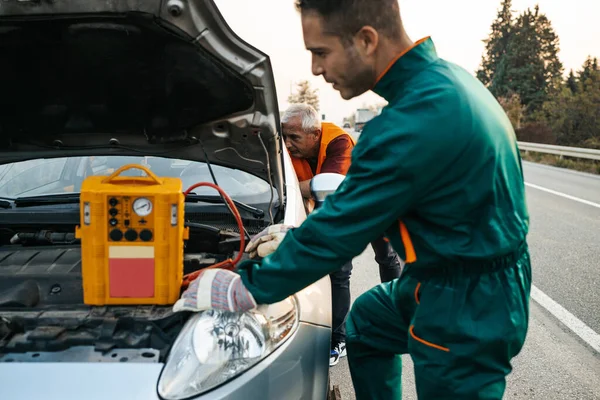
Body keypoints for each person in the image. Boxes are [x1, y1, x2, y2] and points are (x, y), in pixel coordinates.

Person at [177, 0, 531, 398]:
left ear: (365, 40)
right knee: (367, 322)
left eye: (320, 52)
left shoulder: (412, 122)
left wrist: (246, 286)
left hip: (465, 305)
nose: (315, 68)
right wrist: (295, 239)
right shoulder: (447, 83)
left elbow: (337, 233)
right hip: (454, 278)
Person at [281, 103, 403, 366]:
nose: (287, 144)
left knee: (387, 258)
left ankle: (400, 314)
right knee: (338, 271)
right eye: (284, 137)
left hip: (374, 201)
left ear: (315, 134)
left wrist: (296, 188)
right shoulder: (291, 150)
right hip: (340, 206)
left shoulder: (339, 141)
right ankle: (338, 338)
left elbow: (327, 186)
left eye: (294, 138)